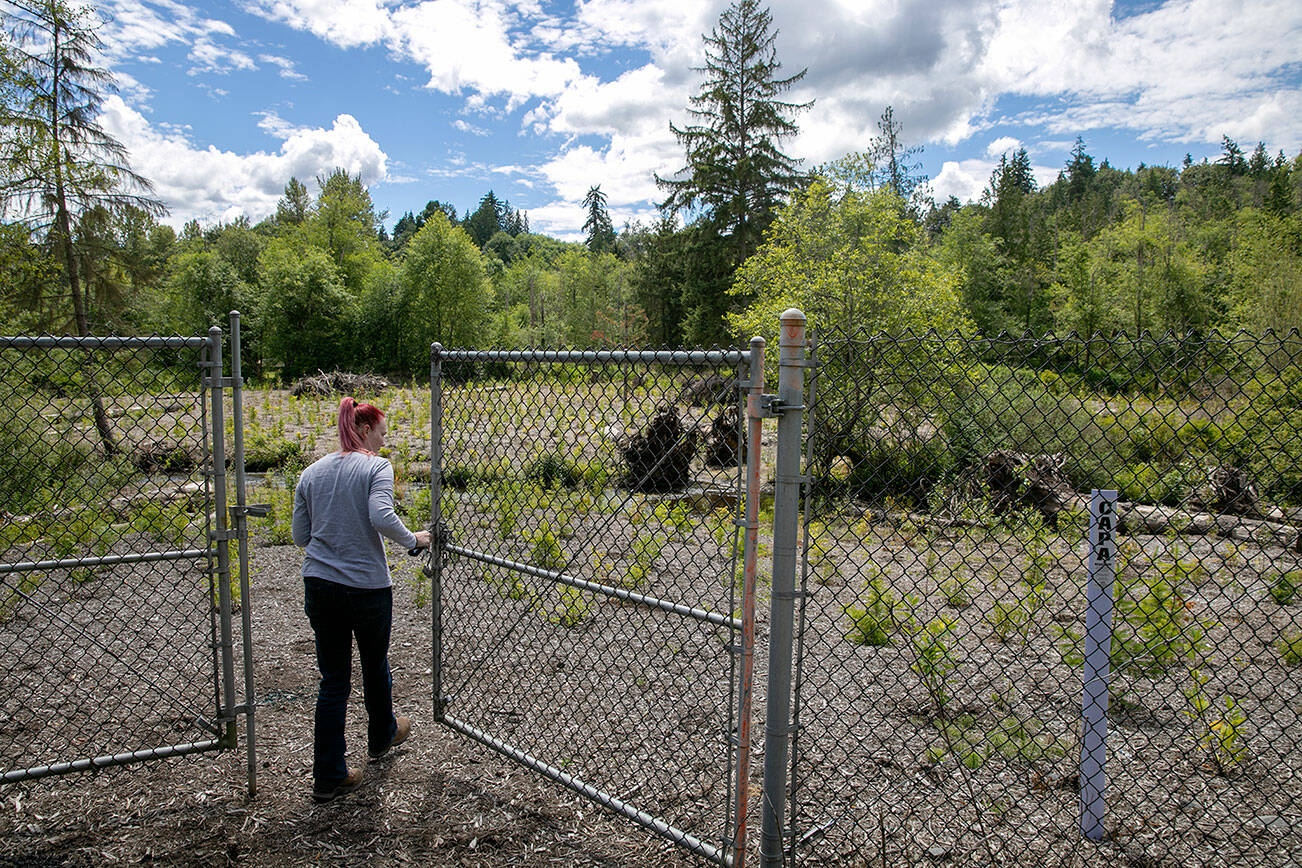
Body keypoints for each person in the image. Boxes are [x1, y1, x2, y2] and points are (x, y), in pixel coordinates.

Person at [292, 396, 431, 803]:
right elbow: (381, 515)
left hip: (319, 584)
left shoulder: (312, 473)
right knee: (374, 663)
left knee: (334, 679)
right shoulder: (376, 467)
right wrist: (414, 541)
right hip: (366, 587)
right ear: (366, 429)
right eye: (382, 433)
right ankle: (381, 735)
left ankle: (329, 774)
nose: (384, 442)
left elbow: (302, 536)